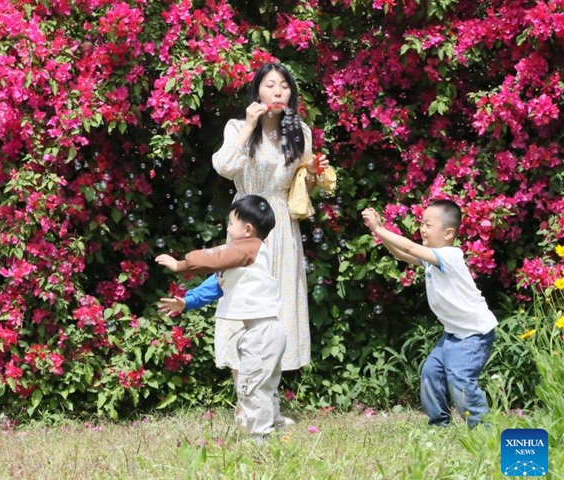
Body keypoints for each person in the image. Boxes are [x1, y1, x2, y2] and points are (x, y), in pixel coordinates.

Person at [211, 62, 328, 375]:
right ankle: (245, 401)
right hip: (247, 220)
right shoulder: (237, 128)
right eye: (270, 84)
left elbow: (301, 187)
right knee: (244, 304)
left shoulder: (300, 131)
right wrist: (250, 125)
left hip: (282, 225)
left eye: (285, 85)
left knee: (278, 307)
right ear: (257, 90)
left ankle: (268, 399)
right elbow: (223, 167)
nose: (278, 91)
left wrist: (314, 176)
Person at [157, 195, 287, 440]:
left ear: (248, 229)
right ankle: (274, 424)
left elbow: (214, 257)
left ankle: (260, 436)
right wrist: (186, 301)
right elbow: (215, 285)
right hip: (264, 330)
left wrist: (181, 265)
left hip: (262, 330)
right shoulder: (241, 262)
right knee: (264, 383)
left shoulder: (251, 247)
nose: (227, 228)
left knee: (251, 385)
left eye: (230, 223)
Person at [361, 200, 497, 428]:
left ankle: (483, 428)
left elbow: (411, 248)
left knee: (460, 379)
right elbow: (403, 254)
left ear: (448, 233)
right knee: (431, 373)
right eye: (421, 223)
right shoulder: (433, 259)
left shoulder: (451, 256)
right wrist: (380, 231)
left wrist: (379, 229)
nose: (422, 228)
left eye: (428, 224)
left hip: (473, 334)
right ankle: (439, 424)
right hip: (453, 334)